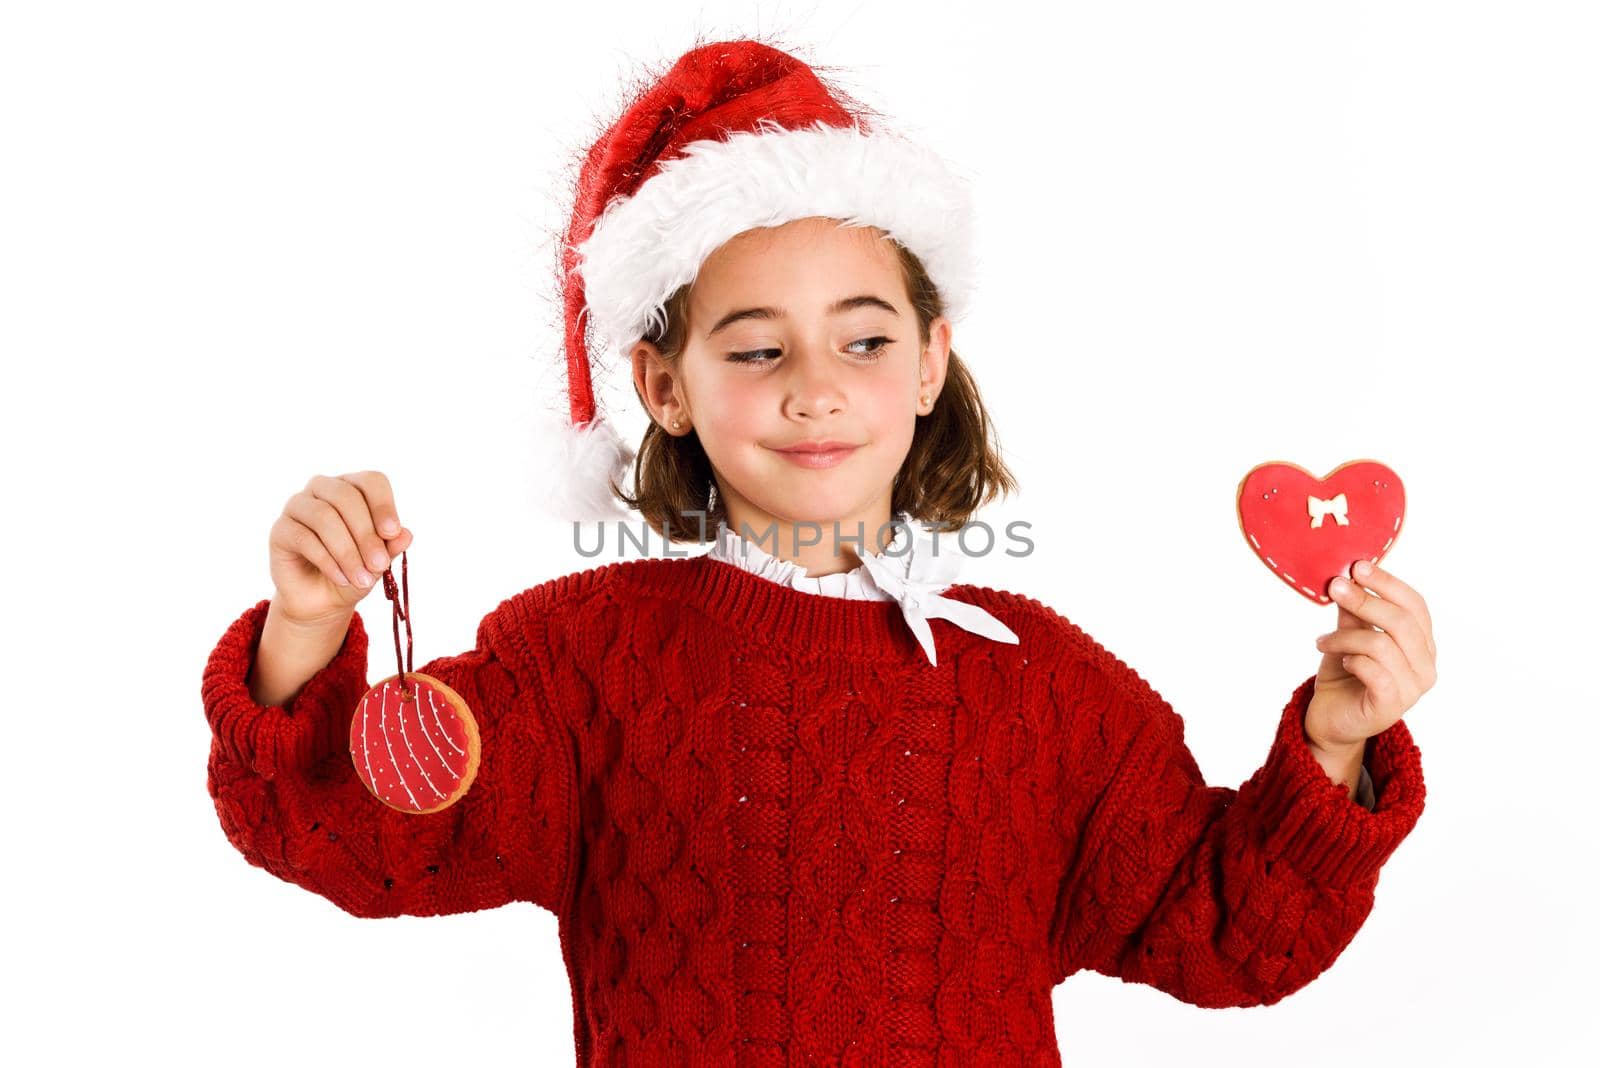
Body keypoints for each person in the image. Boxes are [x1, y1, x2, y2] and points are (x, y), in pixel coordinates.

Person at [200, 36, 1434, 1065]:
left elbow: (1223, 935)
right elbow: (358, 844)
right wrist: (306, 629)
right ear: (662, 385)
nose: (814, 392)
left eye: (860, 341)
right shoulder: (580, 663)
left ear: (929, 361)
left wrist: (1335, 739)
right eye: (754, 348)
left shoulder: (1044, 691)